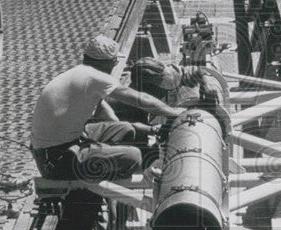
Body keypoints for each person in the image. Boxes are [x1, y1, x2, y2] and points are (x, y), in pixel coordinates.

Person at [30, 33, 183, 184]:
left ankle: (101, 159)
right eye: (115, 61)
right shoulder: (96, 77)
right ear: (106, 62)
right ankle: (100, 192)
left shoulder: (80, 73)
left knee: (125, 129)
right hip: (56, 161)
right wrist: (175, 113)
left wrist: (116, 124)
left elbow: (100, 105)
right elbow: (140, 100)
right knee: (134, 156)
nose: (114, 65)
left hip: (56, 147)